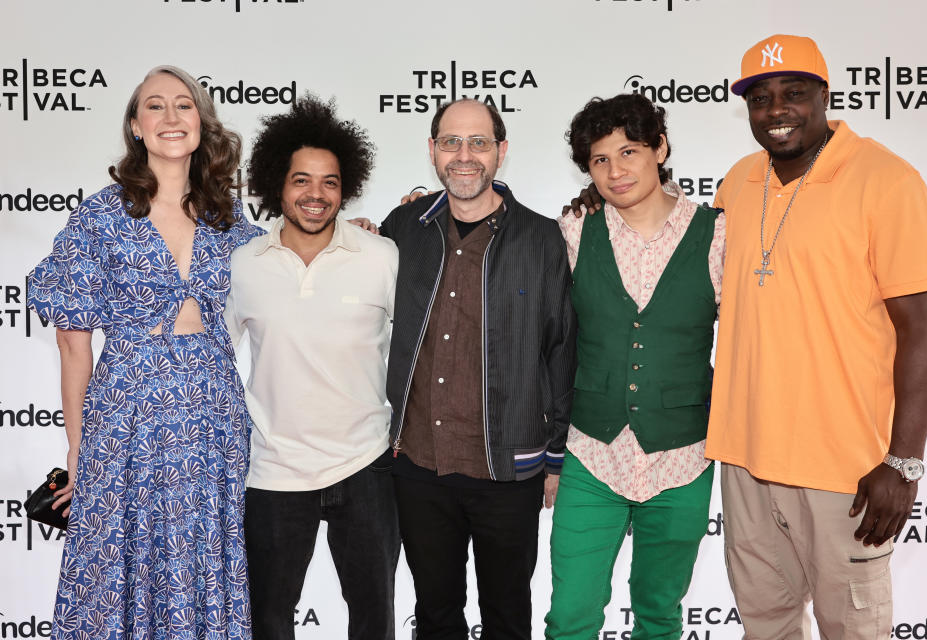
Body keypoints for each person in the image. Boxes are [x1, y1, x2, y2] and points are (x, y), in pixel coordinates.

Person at [705, 35, 927, 638]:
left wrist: (904, 463)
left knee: (854, 629)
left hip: (844, 467)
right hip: (744, 456)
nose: (776, 110)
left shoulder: (886, 180)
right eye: (760, 98)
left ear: (824, 95)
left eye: (793, 93)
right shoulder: (737, 182)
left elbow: (920, 334)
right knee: (766, 625)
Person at [27, 66, 263, 639]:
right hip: (126, 414)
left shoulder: (229, 218)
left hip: (213, 418)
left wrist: (356, 232)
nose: (171, 117)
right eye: (155, 107)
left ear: (202, 125)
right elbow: (72, 341)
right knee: (117, 565)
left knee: (202, 561)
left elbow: (291, 272)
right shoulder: (100, 216)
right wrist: (79, 448)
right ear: (136, 126)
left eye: (184, 105)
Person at [379, 98, 577, 640]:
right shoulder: (402, 228)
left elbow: (561, 351)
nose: (464, 156)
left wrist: (555, 457)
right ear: (432, 150)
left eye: (479, 143)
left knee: (507, 617)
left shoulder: (541, 239)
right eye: (451, 142)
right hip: (419, 464)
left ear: (501, 151)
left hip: (508, 469)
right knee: (435, 615)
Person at [545, 94, 722, 640]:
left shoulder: (720, 235)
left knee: (660, 615)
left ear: (660, 149)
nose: (616, 171)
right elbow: (505, 239)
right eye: (600, 160)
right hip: (591, 454)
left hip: (683, 457)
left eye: (629, 151)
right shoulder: (573, 230)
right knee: (570, 617)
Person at [226, 97, 400, 640]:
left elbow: (417, 351)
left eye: (330, 182)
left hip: (366, 463)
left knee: (375, 621)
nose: (316, 195)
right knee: (269, 623)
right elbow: (212, 361)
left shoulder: (383, 256)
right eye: (302, 180)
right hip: (274, 468)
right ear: (277, 184)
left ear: (345, 188)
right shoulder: (242, 265)